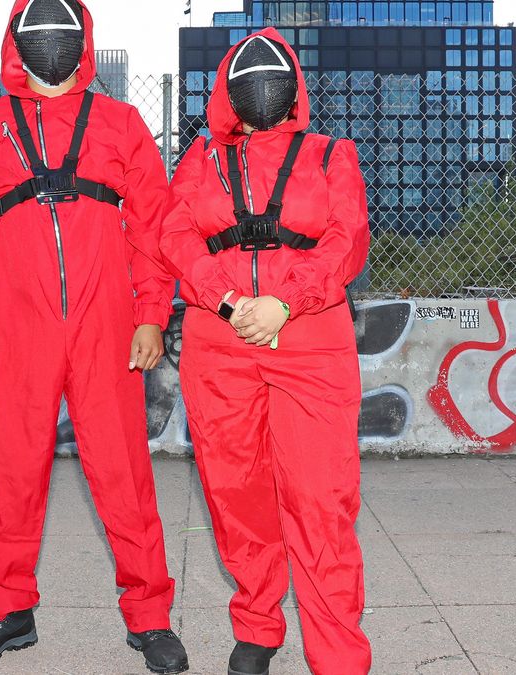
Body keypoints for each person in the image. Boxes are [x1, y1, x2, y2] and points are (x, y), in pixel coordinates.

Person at [0, 1, 186, 672]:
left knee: (123, 470)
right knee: (11, 470)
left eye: (63, 33)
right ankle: (6, 607)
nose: (51, 44)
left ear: (83, 42)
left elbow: (151, 228)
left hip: (105, 322)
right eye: (38, 33)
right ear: (16, 44)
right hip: (12, 322)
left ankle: (150, 615)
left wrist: (149, 315)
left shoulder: (122, 122)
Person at [159, 29, 373, 675]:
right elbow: (173, 232)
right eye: (246, 69)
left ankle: (337, 653)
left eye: (274, 70)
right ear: (226, 87)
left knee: (320, 499)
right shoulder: (198, 158)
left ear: (294, 88)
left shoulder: (334, 154)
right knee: (236, 493)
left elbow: (347, 237)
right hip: (218, 344)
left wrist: (286, 300)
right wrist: (226, 299)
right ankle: (258, 621)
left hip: (311, 343)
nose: (261, 79)